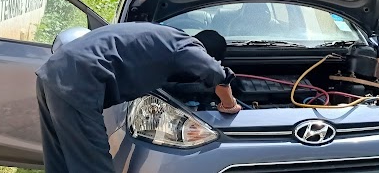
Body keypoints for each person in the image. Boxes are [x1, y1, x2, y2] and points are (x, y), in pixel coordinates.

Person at [34, 22, 241, 173]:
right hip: (79, 81)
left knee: (58, 160)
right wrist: (229, 104)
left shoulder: (166, 36)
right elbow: (217, 74)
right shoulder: (186, 48)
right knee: (92, 163)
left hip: (53, 71)